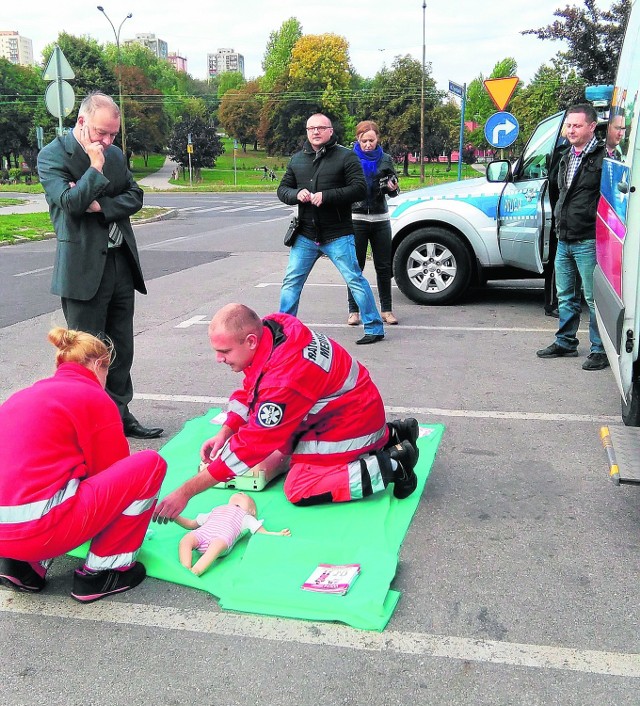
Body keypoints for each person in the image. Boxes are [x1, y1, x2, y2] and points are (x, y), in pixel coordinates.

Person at [153, 304, 420, 522]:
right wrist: (228, 429)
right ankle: (391, 433)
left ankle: (392, 465)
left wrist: (186, 492)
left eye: (224, 351)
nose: (218, 359)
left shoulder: (284, 379)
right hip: (356, 408)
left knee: (299, 487)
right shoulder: (274, 330)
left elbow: (250, 448)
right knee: (283, 447)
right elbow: (253, 389)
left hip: (350, 424)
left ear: (250, 341)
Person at [0, 327, 167, 603]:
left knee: (42, 480)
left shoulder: (21, 397)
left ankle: (19, 564)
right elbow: (112, 474)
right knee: (149, 466)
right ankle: (104, 571)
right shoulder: (94, 398)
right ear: (100, 364)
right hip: (40, 531)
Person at [37, 91, 163, 439]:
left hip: (120, 262)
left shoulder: (116, 155)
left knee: (121, 347)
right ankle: (84, 422)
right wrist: (94, 169)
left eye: (112, 135)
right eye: (100, 134)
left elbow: (135, 197)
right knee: (83, 352)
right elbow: (71, 203)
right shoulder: (53, 156)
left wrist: (101, 206)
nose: (107, 142)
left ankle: (120, 414)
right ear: (81, 122)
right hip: (81, 269)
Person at [277, 114, 385, 345]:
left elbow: (358, 189)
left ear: (330, 131)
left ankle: (374, 327)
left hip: (338, 233)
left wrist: (327, 196)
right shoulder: (297, 160)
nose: (315, 132)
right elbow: (282, 189)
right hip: (305, 234)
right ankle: (283, 330)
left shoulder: (346, 157)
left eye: (320, 128)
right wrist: (296, 194)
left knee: (355, 279)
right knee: (291, 282)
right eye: (311, 128)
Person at [536, 104, 609, 371]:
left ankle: (601, 350)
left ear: (592, 127)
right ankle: (565, 342)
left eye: (577, 125)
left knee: (592, 299)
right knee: (566, 296)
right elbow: (558, 193)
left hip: (588, 239)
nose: (571, 130)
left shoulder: (603, 159)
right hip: (564, 237)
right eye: (568, 125)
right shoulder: (565, 155)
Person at [347, 120, 400, 327]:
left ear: (378, 139)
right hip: (357, 218)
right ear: (358, 139)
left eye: (371, 140)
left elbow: (394, 190)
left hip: (380, 218)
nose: (368, 144)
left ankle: (386, 310)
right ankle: (354, 311)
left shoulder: (385, 159)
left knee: (383, 266)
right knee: (355, 267)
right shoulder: (350, 159)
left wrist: (391, 186)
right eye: (364, 140)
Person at [174, 492, 291, 576]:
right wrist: (174, 517)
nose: (241, 493)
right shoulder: (217, 510)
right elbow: (191, 524)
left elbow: (261, 532)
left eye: (245, 495)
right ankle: (185, 566)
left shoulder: (246, 517)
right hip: (202, 533)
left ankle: (196, 570)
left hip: (221, 539)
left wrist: (277, 534)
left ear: (252, 511)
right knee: (186, 539)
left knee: (215, 547)